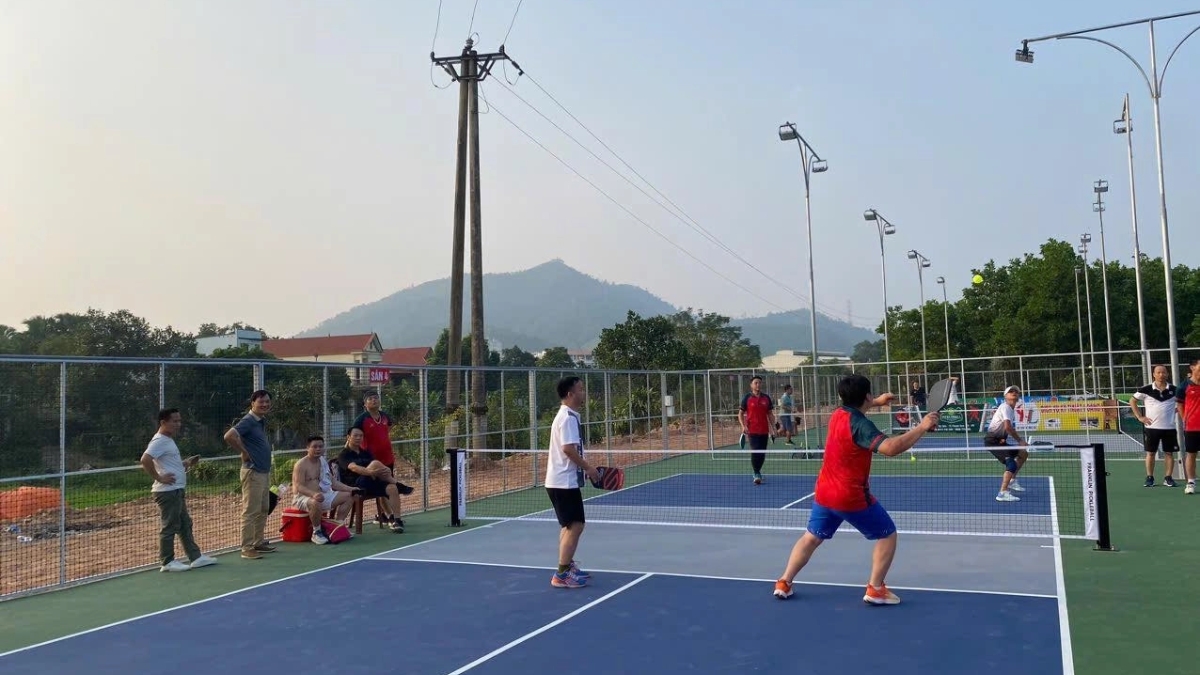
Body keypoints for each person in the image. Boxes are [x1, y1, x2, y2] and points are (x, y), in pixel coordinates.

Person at [772, 374, 937, 605]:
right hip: (850, 496)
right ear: (866, 395)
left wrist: (877, 402)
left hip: (824, 492)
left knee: (811, 537)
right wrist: (922, 426)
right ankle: (876, 589)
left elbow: (855, 409)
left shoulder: (837, 414)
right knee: (887, 534)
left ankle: (784, 582)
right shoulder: (861, 425)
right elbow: (890, 448)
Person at [139, 408, 217, 572]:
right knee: (170, 526)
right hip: (167, 492)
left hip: (177, 490)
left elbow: (168, 464)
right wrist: (159, 478)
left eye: (179, 421)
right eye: (174, 421)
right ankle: (167, 562)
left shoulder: (168, 440)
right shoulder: (159, 440)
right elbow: (145, 459)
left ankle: (195, 557)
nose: (178, 424)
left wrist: (185, 463)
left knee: (185, 524)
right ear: (163, 422)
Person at [545, 375, 598, 589]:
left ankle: (567, 566)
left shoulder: (568, 416)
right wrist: (588, 468)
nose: (583, 393)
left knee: (569, 525)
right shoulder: (567, 418)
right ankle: (562, 574)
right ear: (570, 394)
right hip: (562, 483)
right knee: (576, 525)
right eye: (580, 389)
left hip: (563, 481)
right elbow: (567, 449)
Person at [223, 389, 276, 560]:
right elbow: (229, 436)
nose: (265, 404)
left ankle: (258, 542)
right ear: (253, 403)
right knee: (250, 511)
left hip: (263, 472)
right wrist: (243, 452)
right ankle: (246, 548)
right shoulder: (248, 420)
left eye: (267, 401)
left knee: (263, 508)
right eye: (261, 401)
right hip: (253, 472)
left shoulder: (260, 421)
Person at [351, 392, 412, 524]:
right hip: (372, 461)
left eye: (376, 398)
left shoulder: (385, 416)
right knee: (382, 487)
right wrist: (349, 453)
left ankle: (386, 515)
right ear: (365, 404)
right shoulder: (361, 419)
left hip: (388, 458)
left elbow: (388, 429)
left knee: (390, 485)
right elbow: (352, 437)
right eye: (370, 399)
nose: (374, 400)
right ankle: (390, 515)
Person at [336, 428, 408, 532]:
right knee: (375, 464)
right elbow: (354, 468)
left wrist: (384, 470)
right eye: (355, 435)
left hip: (370, 483)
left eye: (361, 436)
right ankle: (398, 484)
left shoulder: (365, 453)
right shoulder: (344, 454)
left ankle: (397, 520)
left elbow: (377, 468)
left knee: (392, 488)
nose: (358, 438)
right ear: (348, 437)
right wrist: (372, 472)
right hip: (355, 485)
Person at [292, 435, 358, 544]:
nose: (318, 449)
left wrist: (351, 489)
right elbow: (299, 486)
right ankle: (317, 532)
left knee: (350, 495)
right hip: (303, 498)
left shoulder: (323, 461)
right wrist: (313, 494)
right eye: (314, 446)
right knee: (315, 502)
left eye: (320, 446)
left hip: (323, 495)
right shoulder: (301, 464)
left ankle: (337, 527)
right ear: (308, 448)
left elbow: (333, 483)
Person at [1130, 365, 1179, 488]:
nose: (1161, 375)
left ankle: (1168, 478)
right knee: (1151, 453)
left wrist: (1177, 410)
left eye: (1163, 372)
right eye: (1158, 372)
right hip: (1151, 428)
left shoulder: (1175, 389)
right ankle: (1150, 477)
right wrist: (1140, 417)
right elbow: (1132, 401)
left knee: (1169, 453)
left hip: (1169, 428)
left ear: (1167, 374)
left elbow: (1184, 402)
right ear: (1154, 374)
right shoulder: (1146, 389)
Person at [983, 385, 1029, 502]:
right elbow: (1008, 427)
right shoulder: (1005, 407)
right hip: (992, 442)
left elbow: (1005, 429)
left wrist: (1004, 440)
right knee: (1011, 464)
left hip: (1000, 442)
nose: (1014, 392)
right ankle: (1002, 493)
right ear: (1005, 396)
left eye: (1016, 391)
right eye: (1011, 391)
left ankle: (1012, 481)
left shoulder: (1010, 410)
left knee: (1023, 453)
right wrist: (1020, 441)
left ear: (1018, 396)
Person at [739, 376, 776, 485]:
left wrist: (773, 427)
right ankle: (756, 473)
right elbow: (740, 414)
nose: (758, 385)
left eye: (759, 382)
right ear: (751, 385)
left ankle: (758, 471)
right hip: (752, 430)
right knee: (755, 451)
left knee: (762, 453)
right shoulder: (747, 398)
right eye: (755, 383)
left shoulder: (766, 398)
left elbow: (770, 414)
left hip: (764, 430)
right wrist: (743, 426)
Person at [1175, 358, 1200, 495]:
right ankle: (1190, 482)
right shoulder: (1183, 386)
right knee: (1191, 454)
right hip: (1192, 428)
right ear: (1193, 367)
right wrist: (1185, 418)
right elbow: (1179, 404)